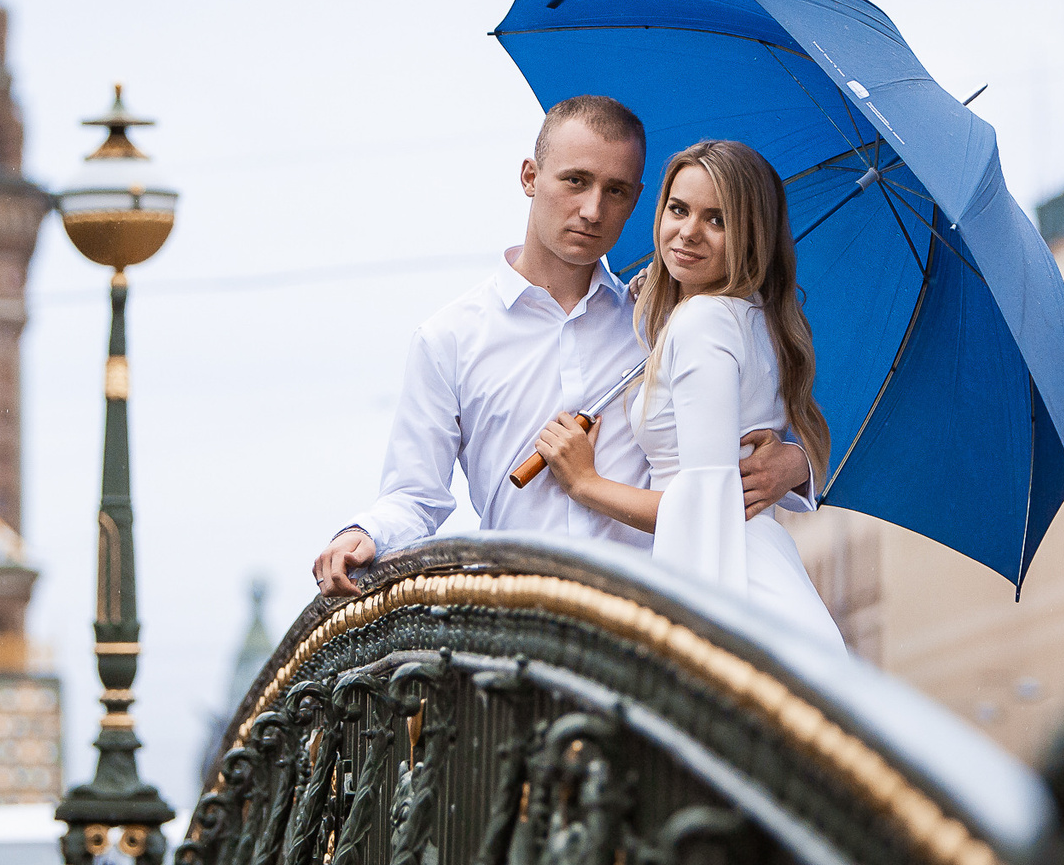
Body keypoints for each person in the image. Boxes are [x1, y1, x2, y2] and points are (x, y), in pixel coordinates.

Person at [312, 98, 813, 597]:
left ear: (639, 200)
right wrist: (365, 533)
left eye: (615, 191)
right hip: (518, 625)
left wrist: (794, 462)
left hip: (649, 625)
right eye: (576, 181)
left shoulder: (659, 320)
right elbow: (414, 497)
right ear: (530, 177)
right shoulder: (450, 339)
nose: (593, 210)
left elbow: (751, 425)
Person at [530, 139, 845, 651]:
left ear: (749, 235)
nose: (689, 232)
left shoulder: (703, 321)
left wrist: (585, 483)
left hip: (732, 584)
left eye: (717, 220)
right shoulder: (750, 318)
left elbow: (704, 506)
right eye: (678, 209)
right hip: (759, 566)